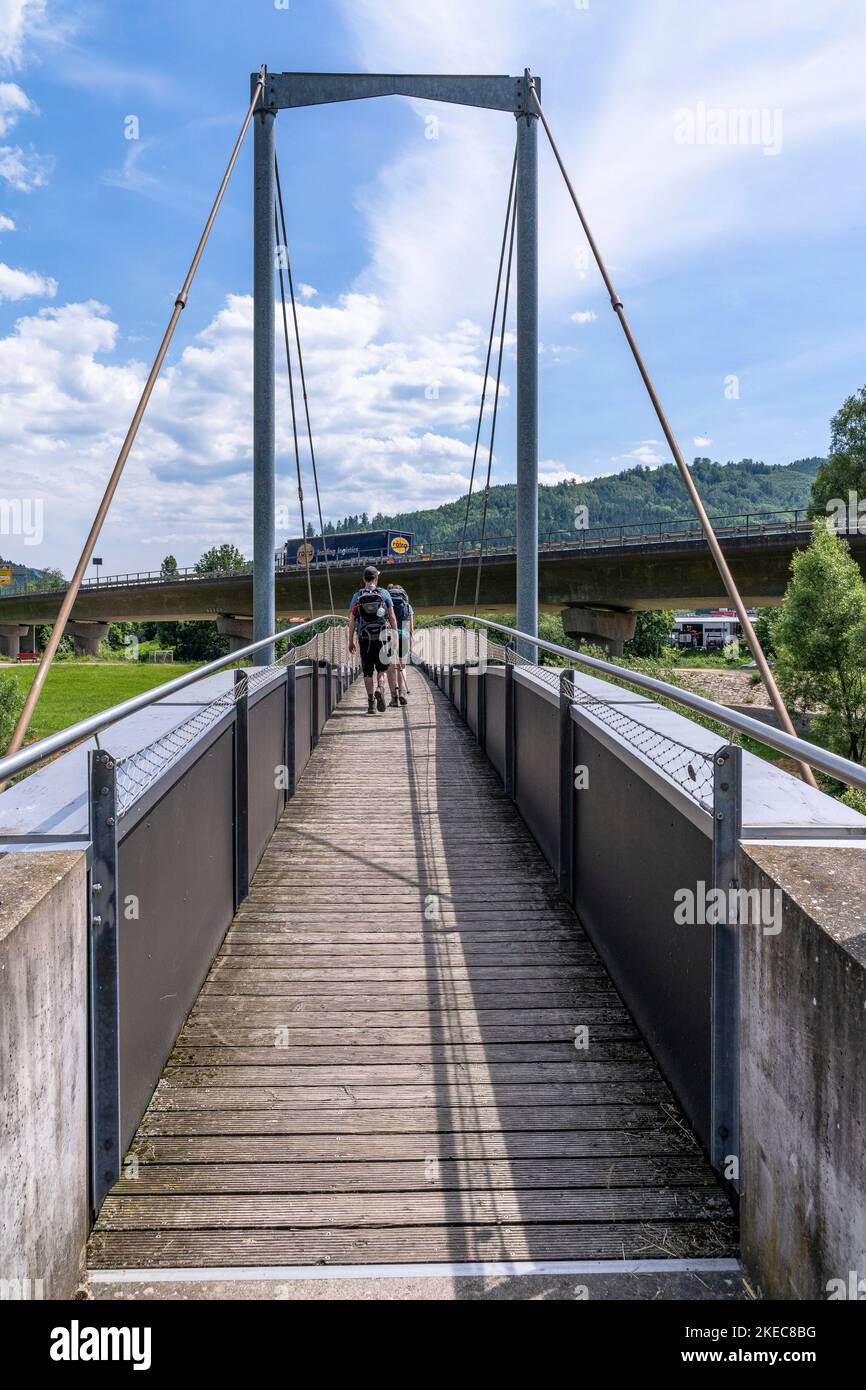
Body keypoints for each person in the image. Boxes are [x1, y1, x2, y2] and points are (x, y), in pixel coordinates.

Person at [348, 564, 401, 714]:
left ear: (363, 579)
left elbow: (352, 620)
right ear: (376, 578)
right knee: (382, 668)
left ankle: (371, 704)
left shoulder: (357, 596)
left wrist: (350, 640)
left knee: (367, 672)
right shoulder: (384, 593)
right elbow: (392, 616)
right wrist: (395, 634)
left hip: (364, 637)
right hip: (383, 636)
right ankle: (381, 688)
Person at [387, 582, 414, 701]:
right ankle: (402, 691)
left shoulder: (386, 602)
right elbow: (411, 627)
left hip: (389, 634)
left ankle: (394, 697)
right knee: (402, 666)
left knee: (391, 667)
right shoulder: (407, 605)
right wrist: (411, 641)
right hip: (404, 633)